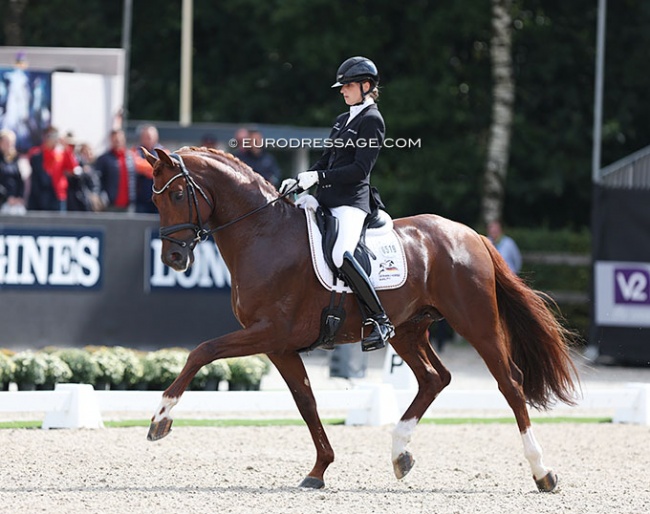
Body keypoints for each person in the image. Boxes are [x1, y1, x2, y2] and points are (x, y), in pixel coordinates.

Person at [279, 56, 393, 352]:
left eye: (348, 86)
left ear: (366, 86)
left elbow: (359, 170)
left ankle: (380, 320)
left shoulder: (372, 120)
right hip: (326, 199)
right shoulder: (343, 120)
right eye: (342, 87)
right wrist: (301, 180)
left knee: (341, 255)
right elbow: (326, 160)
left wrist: (318, 175)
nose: (343, 91)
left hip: (352, 203)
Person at [27, 125, 77, 211]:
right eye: (52, 136)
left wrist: (66, 148)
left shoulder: (61, 154)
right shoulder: (37, 153)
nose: (54, 139)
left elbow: (72, 168)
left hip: (58, 194)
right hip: (41, 195)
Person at [95, 129, 137, 212]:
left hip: (128, 205)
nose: (117, 142)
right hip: (110, 204)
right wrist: (100, 196)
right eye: (115, 139)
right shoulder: (104, 159)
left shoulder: (130, 158)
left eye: (119, 139)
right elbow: (97, 179)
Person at [132, 124, 163, 213]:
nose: (148, 139)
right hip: (141, 198)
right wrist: (155, 169)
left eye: (150, 136)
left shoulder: (163, 151)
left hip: (159, 198)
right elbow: (137, 165)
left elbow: (165, 167)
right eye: (146, 136)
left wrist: (148, 168)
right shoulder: (134, 151)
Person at [0, 128, 26, 215]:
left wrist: (19, 197)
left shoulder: (15, 160)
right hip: (2, 202)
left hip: (15, 201)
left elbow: (20, 180)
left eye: (11, 142)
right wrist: (7, 198)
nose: (9, 145)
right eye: (6, 142)